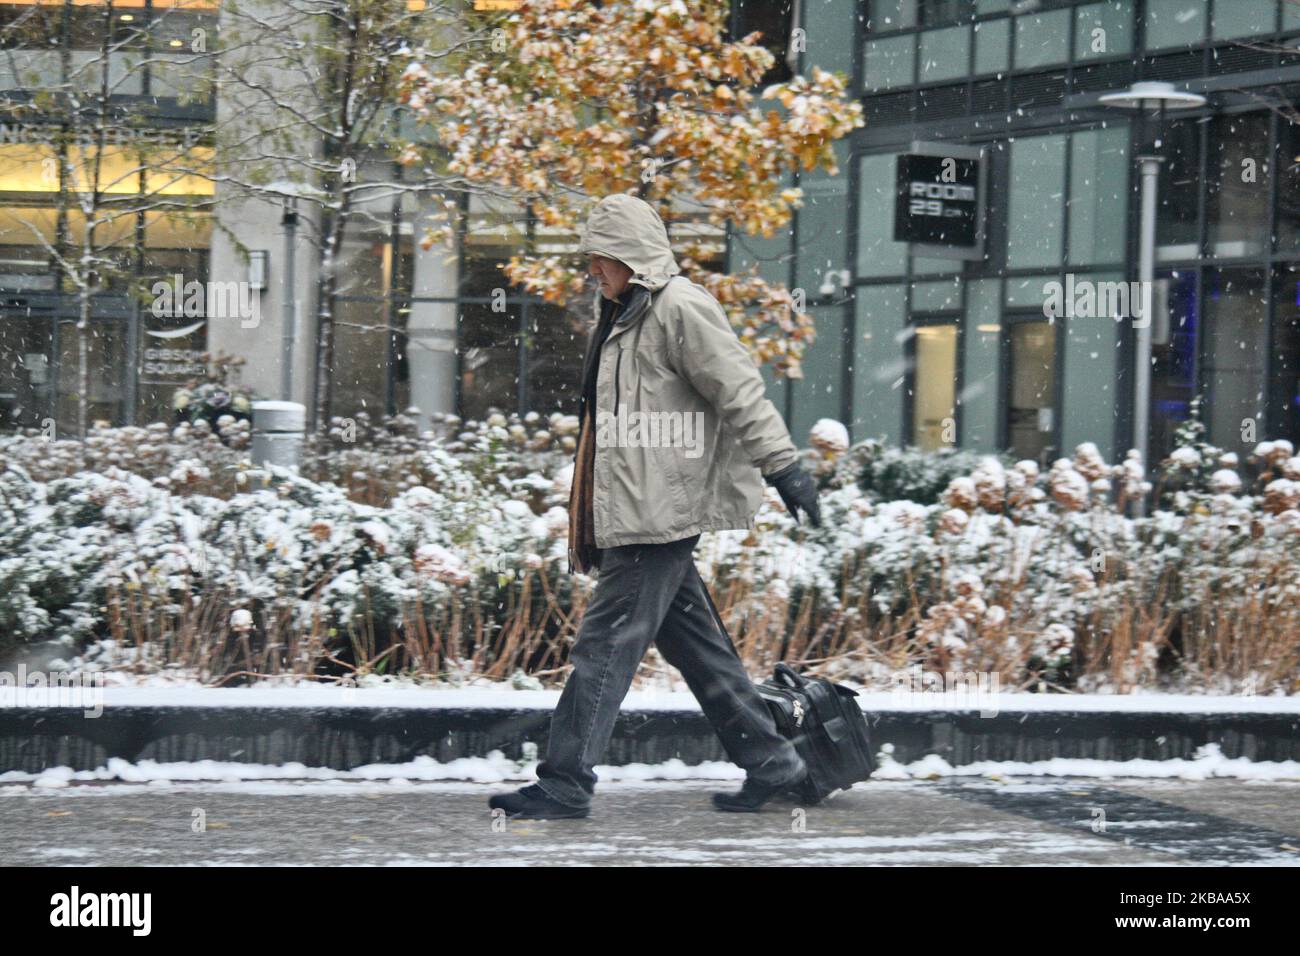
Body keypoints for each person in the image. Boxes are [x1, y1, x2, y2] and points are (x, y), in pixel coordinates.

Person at [488, 193, 822, 820]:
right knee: (697, 646)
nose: (594, 271)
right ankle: (774, 763)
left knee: (604, 644)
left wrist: (784, 467)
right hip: (636, 506)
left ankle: (565, 780)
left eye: (602, 259)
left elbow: (739, 389)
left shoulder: (679, 308)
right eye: (591, 260)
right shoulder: (621, 314)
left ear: (632, 258)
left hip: (659, 512)